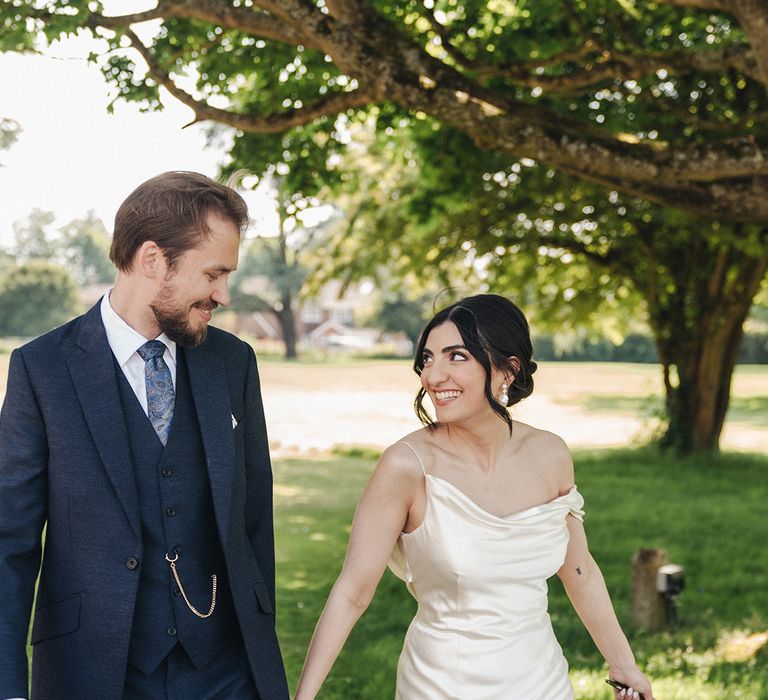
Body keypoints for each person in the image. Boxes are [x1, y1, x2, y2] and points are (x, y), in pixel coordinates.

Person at [0, 172, 289, 700]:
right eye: (213, 273)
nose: (223, 294)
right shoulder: (41, 369)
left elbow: (253, 520)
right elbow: (10, 543)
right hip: (95, 670)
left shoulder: (233, 363)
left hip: (226, 672)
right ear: (154, 259)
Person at [295, 294, 654, 700]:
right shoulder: (406, 466)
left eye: (457, 356)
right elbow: (353, 592)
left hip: (542, 683)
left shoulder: (551, 454)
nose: (434, 375)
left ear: (507, 369)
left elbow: (580, 572)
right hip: (441, 686)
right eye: (428, 359)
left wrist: (624, 666)